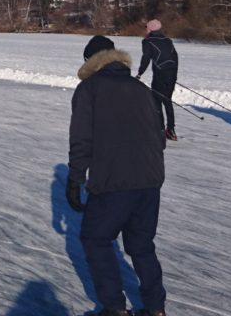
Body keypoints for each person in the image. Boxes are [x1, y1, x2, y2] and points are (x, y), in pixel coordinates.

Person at [67, 35, 167, 316]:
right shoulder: (140, 87)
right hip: (150, 180)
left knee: (95, 239)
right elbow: (160, 138)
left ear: (91, 61)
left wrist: (75, 178)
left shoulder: (89, 89)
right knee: (141, 245)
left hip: (114, 182)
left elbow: (81, 140)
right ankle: (156, 308)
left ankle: (114, 308)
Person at [136, 19, 180, 141]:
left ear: (150, 29)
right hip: (171, 74)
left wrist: (139, 73)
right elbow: (175, 58)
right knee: (167, 100)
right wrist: (173, 75)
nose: (145, 29)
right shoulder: (167, 40)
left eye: (146, 27)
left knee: (156, 101)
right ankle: (170, 129)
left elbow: (146, 59)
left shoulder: (148, 41)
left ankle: (160, 129)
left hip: (159, 75)